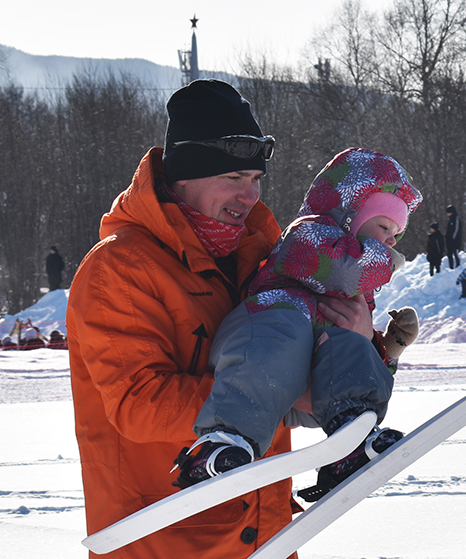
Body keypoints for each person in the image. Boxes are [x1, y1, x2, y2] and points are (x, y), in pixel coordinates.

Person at [67, 78, 356, 559]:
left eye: (255, 176)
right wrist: (270, 392)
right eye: (232, 175)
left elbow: (302, 375)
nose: (249, 192)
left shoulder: (269, 262)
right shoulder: (118, 272)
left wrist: (360, 348)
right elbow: (137, 405)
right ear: (183, 178)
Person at [177, 146, 423, 505]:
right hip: (258, 348)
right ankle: (223, 442)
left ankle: (350, 436)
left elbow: (353, 369)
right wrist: (387, 260)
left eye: (396, 236)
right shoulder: (308, 235)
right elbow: (343, 269)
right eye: (384, 226)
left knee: (345, 342)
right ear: (351, 215)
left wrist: (383, 350)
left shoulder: (359, 296)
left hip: (300, 387)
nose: (390, 241)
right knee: (287, 326)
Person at [444, 205, 462, 271]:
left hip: (455, 240)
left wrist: (453, 237)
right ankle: (451, 267)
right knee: (449, 254)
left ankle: (458, 266)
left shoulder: (456, 218)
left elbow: (456, 229)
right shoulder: (450, 219)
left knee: (455, 253)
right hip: (449, 240)